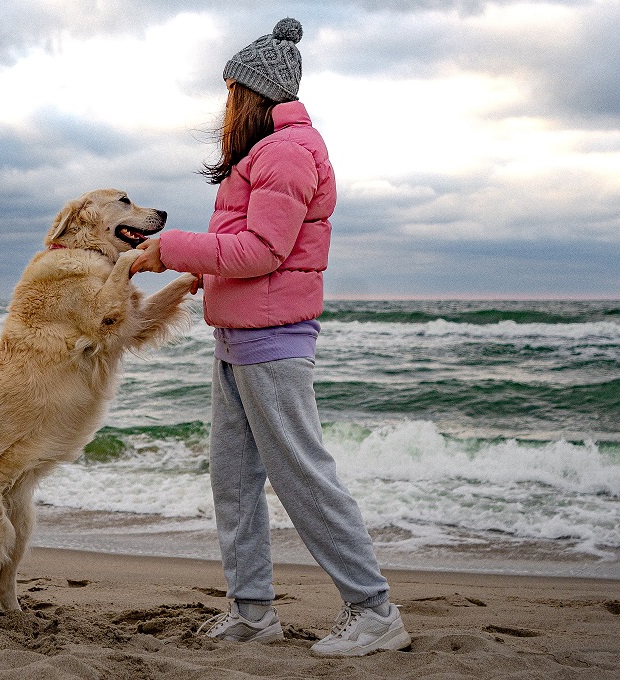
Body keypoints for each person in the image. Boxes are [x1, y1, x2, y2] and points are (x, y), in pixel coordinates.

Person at [129, 18, 411, 657]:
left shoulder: (286, 152)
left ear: (253, 96)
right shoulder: (263, 155)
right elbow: (242, 248)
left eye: (231, 92)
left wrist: (171, 249)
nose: (225, 105)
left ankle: (373, 610)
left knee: (303, 476)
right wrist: (200, 268)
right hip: (237, 338)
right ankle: (253, 612)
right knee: (232, 481)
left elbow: (261, 250)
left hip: (274, 341)